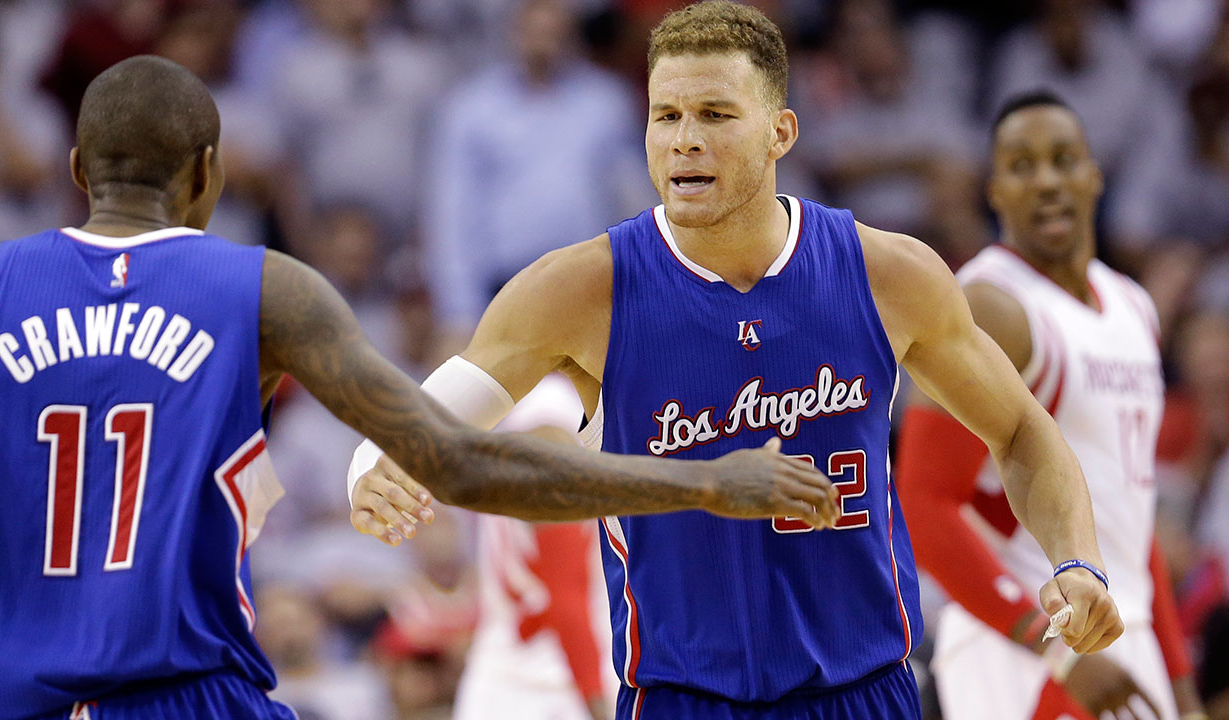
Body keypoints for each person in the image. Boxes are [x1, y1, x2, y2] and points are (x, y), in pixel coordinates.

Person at [0, 55, 842, 720]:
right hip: (181, 692)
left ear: (75, 171)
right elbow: (460, 465)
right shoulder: (264, 291)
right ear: (207, 172)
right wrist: (710, 480)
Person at [349, 3, 1125, 718]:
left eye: (715, 115)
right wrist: (372, 467)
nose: (685, 138)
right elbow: (416, 430)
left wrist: (1079, 562)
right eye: (666, 116)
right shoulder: (578, 289)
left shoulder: (890, 273)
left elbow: (1022, 431)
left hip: (865, 690)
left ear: (781, 132)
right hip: (685, 696)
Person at [897, 92, 1206, 720]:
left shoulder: (1134, 308)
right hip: (1021, 643)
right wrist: (1052, 649)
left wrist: (1182, 690)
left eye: (1063, 160)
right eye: (1021, 165)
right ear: (996, 191)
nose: (1046, 181)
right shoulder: (990, 307)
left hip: (1126, 631)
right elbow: (923, 504)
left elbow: (1129, 514)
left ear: (1095, 176)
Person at [454, 375, 615, 720]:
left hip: (495, 680)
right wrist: (597, 701)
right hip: (559, 682)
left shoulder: (502, 480)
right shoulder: (555, 413)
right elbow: (565, 603)